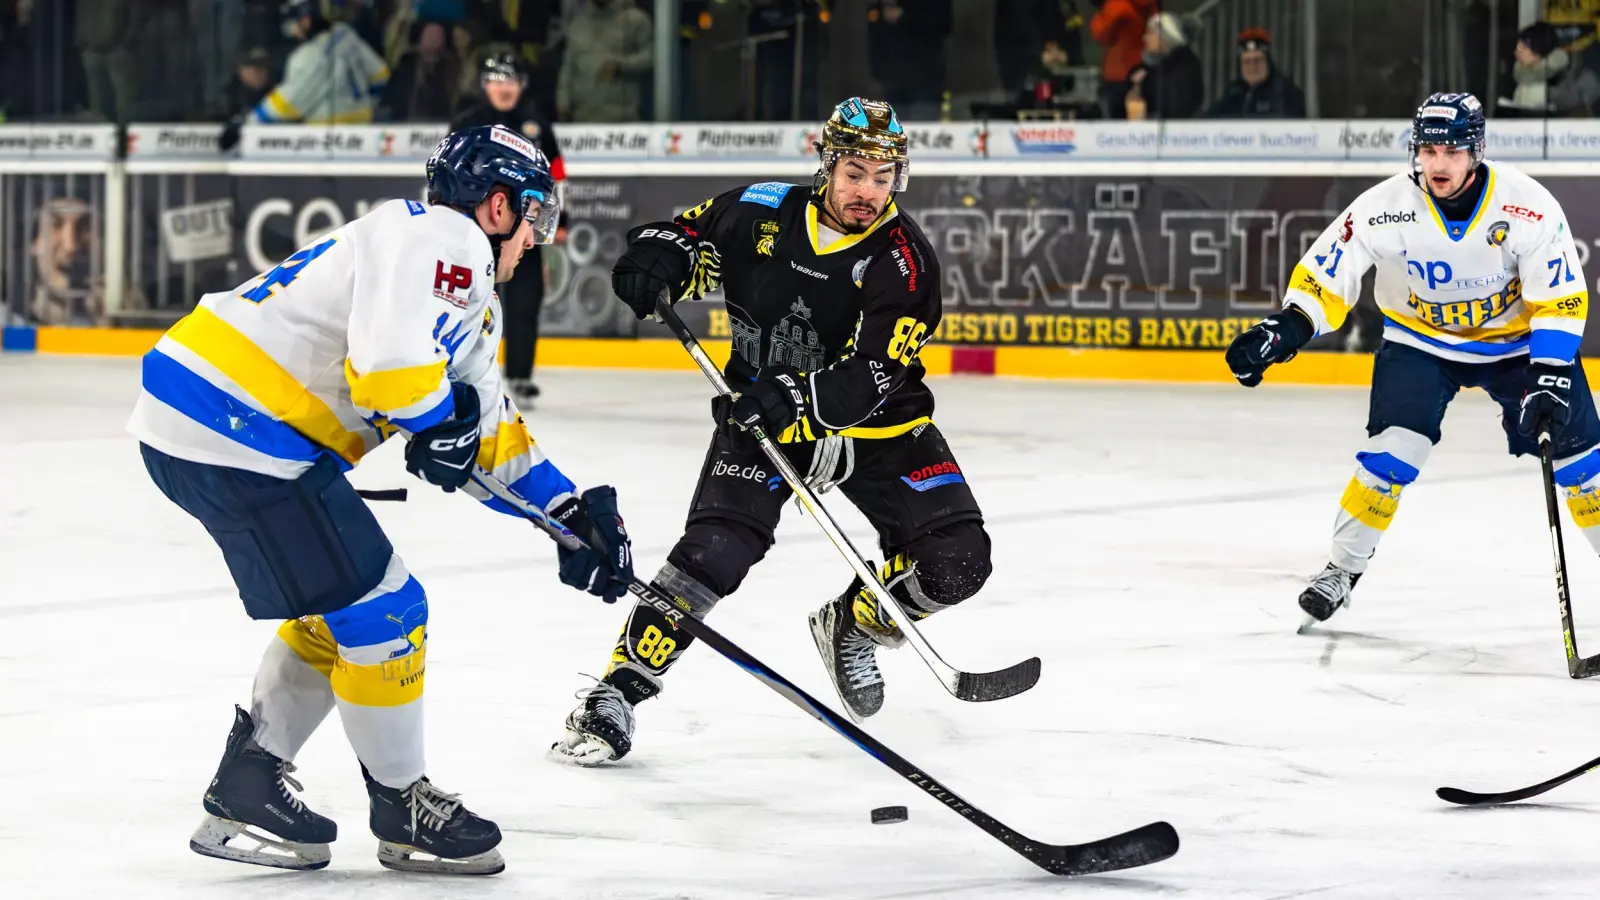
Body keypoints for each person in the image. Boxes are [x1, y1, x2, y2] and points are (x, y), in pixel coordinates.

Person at [126, 125, 634, 874]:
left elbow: (486, 432)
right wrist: (438, 424)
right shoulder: (446, 240)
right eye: (534, 216)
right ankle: (403, 808)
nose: (538, 238)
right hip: (239, 429)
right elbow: (395, 375)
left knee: (346, 612)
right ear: (498, 205)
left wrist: (564, 516)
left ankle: (249, 782)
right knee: (389, 610)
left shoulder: (445, 272)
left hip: (207, 419)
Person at [550, 98, 994, 766]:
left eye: (883, 176)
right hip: (761, 418)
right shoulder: (760, 208)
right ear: (826, 162)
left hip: (877, 429)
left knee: (959, 560)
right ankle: (616, 693)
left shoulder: (907, 264)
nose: (868, 191)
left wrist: (789, 395)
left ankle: (855, 622)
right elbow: (685, 240)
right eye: (855, 173)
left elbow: (868, 378)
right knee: (712, 555)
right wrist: (660, 261)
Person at [1224, 93, 1594, 628]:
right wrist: (1286, 327)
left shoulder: (1527, 206)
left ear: (1477, 151)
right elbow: (1332, 267)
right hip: (1421, 341)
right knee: (1390, 456)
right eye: (1427, 149)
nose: (1437, 163)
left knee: (1585, 469)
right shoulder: (1385, 205)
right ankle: (1341, 570)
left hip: (1516, 346)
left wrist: (1552, 372)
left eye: (1450, 150)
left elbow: (1559, 297)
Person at [453, 53, 566, 403]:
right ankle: (458, 370)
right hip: (478, 227)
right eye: (498, 80)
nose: (505, 88)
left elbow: (556, 176)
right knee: (466, 298)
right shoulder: (467, 122)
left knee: (525, 301)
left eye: (511, 80)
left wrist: (561, 221)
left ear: (522, 85)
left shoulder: (536, 124)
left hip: (523, 228)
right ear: (486, 85)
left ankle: (519, 375)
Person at [222, 0, 390, 148]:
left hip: (327, 137)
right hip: (364, 131)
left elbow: (289, 102)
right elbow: (380, 74)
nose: (291, 29)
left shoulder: (309, 55)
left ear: (306, 20)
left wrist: (251, 120)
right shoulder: (345, 34)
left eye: (293, 22)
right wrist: (370, 99)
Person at [556, 0, 652, 123]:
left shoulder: (636, 20)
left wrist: (621, 64)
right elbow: (568, 66)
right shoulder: (579, 23)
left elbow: (652, 56)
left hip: (623, 116)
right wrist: (562, 100)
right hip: (583, 115)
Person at [1204, 28, 1306, 119]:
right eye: (1247, 62)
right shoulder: (1233, 91)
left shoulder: (1284, 90)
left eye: (1258, 60)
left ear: (1268, 62)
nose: (1252, 67)